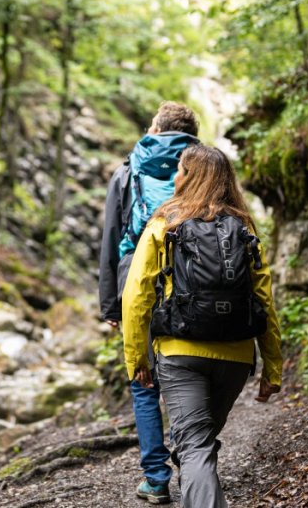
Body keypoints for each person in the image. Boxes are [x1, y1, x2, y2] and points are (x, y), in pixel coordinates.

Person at [122, 145, 283, 508]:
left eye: (180, 170)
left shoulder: (165, 223)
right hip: (236, 356)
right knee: (199, 441)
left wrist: (137, 359)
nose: (174, 176)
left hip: (180, 353)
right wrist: (272, 366)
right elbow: (264, 300)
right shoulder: (243, 226)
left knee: (194, 446)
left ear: (191, 177)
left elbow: (136, 296)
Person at [99, 101, 199, 504]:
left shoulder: (129, 169)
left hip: (133, 279)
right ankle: (191, 461)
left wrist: (110, 304)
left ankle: (156, 479)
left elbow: (112, 236)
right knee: (187, 371)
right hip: (189, 277)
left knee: (143, 383)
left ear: (155, 128)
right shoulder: (204, 168)